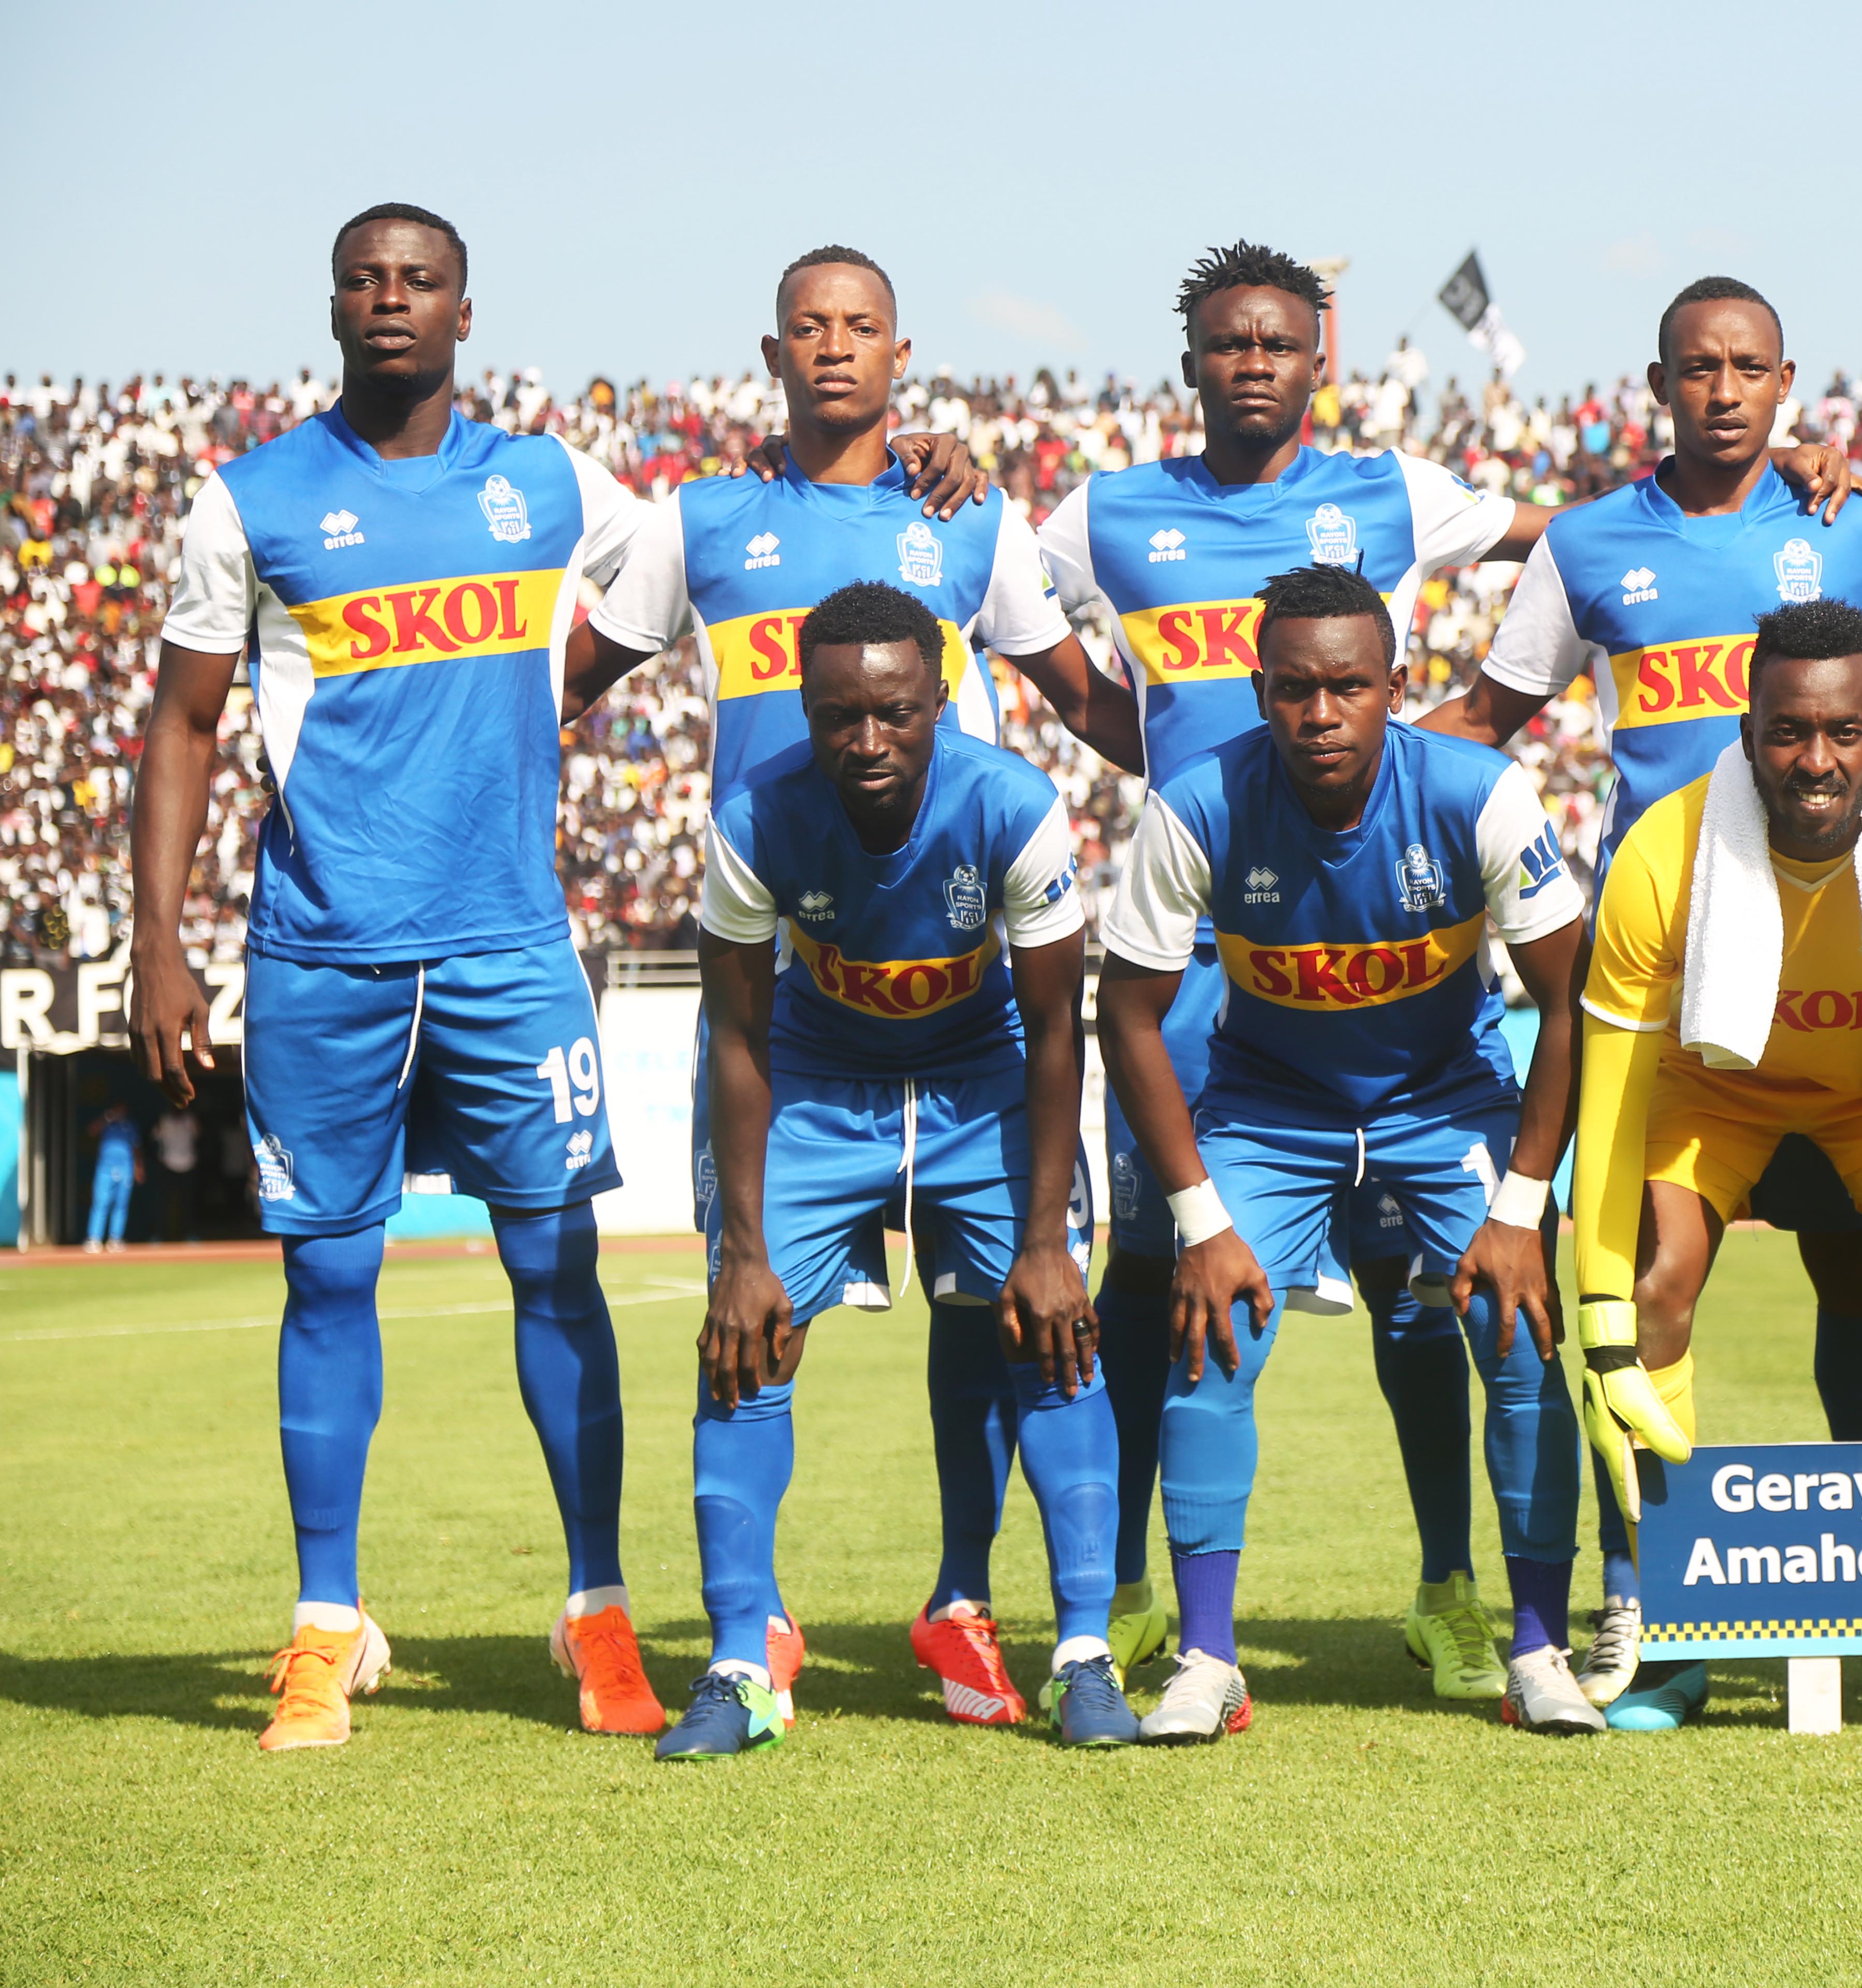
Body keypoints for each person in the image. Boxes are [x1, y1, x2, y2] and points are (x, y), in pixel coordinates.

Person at [1040, 240, 1861, 1699]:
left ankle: (1459, 1591)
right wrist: (1174, 759)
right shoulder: (1105, 515)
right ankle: (1135, 1608)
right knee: (1162, 1273)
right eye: (1227, 344)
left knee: (1451, 1289)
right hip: (1222, 940)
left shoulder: (1395, 496)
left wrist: (1758, 480)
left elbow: (1583, 537)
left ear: (1317, 360)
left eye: (1278, 344)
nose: (1252, 364)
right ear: (1194, 364)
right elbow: (1014, 618)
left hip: (1398, 985)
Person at [1423, 273, 1862, 1708]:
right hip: (1682, 971)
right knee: (1655, 1295)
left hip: (1858, 972)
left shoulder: (1842, 527)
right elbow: (1487, 722)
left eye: (1748, 367)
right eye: (1696, 368)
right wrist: (1339, 773)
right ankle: (1654, 1609)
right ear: (1658, 385)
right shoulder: (1585, 548)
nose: (1722, 390)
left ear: (1786, 384)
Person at [564, 243, 1132, 1726]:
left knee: (997, 1313)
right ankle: (749, 1649)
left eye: (860, 327)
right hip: (792, 964)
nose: (834, 349)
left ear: (900, 352)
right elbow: (561, 678)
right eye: (808, 328)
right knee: (748, 1320)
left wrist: (1247, 774)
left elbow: (1083, 704)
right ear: (774, 354)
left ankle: (968, 1604)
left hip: (957, 990)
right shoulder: (701, 522)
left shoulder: (966, 515)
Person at [129, 203, 665, 1749]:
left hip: (510, 941)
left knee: (556, 1264)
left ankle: (596, 1609)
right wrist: (160, 942)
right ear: (334, 305)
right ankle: (322, 1621)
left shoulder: (548, 482)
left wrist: (567, 686)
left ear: (465, 313)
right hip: (325, 948)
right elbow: (179, 723)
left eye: (418, 281)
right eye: (365, 279)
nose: (390, 301)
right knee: (330, 1272)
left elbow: (671, 568)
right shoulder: (255, 499)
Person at [1095, 563, 1592, 1741]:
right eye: (1295, 690)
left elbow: (1569, 1004)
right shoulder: (1197, 806)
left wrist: (1521, 1206)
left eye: (1349, 688)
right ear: (1259, 690)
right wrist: (1203, 1222)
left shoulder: (1481, 793)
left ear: (1395, 685)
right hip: (1271, 1108)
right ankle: (1207, 1660)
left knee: (1512, 1327)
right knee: (1209, 1330)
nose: (1321, 715)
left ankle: (1538, 1645)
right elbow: (1125, 1010)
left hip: (1445, 1098)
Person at [664, 581, 1123, 1757]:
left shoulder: (1012, 808)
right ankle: (737, 1660)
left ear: (939, 701)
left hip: (982, 1082)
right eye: (838, 717)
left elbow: (1057, 1028)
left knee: (1053, 1331)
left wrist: (1042, 1244)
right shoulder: (753, 821)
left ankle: (1080, 1650)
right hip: (818, 1082)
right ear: (803, 708)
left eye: (897, 713)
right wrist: (744, 1252)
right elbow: (734, 1031)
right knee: (746, 1337)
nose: (867, 741)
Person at [1568, 597, 1862, 1732]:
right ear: (1746, 731)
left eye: (1843, 732)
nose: (1815, 760)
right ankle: (1677, 1636)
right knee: (1654, 1292)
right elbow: (1614, 1103)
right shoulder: (1660, 857)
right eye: (1788, 732)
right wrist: (1598, 1323)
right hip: (1712, 1086)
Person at [83, 1103, 137, 1250]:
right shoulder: (106, 1123)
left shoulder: (129, 1126)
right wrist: (108, 1117)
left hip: (126, 1168)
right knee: (100, 1203)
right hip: (105, 1169)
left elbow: (136, 1147)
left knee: (121, 1205)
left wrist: (139, 1167)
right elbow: (92, 1130)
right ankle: (94, 1239)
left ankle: (115, 1239)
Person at [154, 1107, 199, 1242]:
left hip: (188, 1164)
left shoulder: (190, 1120)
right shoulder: (164, 1121)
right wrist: (158, 1158)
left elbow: (198, 1135)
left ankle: (188, 1234)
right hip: (168, 1165)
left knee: (186, 1204)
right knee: (164, 1204)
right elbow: (153, 1138)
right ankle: (160, 1235)